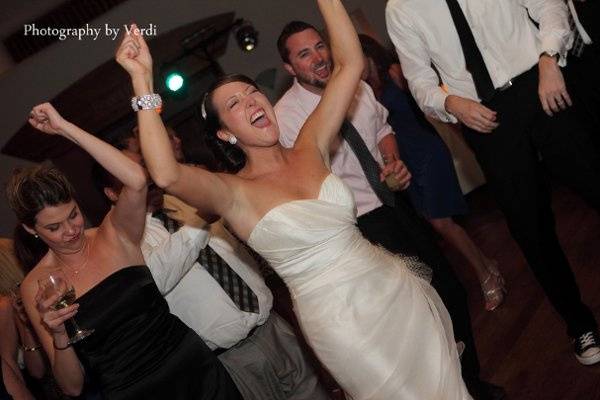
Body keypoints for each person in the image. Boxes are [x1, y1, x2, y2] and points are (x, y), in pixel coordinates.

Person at [117, 0, 471, 398]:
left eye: (252, 93)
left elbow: (350, 65)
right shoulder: (231, 192)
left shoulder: (310, 145)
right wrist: (142, 82)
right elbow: (165, 173)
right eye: (235, 104)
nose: (251, 101)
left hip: (392, 286)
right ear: (225, 134)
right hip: (342, 325)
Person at [274, 20, 503, 400]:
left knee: (449, 292)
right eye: (304, 54)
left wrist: (391, 159)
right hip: (358, 229)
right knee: (408, 319)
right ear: (289, 68)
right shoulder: (286, 119)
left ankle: (468, 383)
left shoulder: (355, 85)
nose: (317, 57)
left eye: (319, 46)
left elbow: (382, 128)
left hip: (397, 206)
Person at [386, 0, 600, 365]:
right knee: (530, 228)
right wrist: (452, 102)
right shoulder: (401, 8)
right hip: (484, 117)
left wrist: (549, 58)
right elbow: (419, 80)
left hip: (541, 82)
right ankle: (579, 325)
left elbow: (548, 6)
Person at [7, 104, 242, 399]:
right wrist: (58, 334)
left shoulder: (114, 233)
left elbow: (136, 178)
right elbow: (72, 386)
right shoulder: (36, 286)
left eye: (73, 215)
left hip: (196, 372)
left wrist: (64, 127)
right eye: (54, 228)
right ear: (31, 230)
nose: (70, 230)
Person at [94, 148, 330, 400]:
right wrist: (199, 224)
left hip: (272, 325)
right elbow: (155, 279)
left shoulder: (181, 198)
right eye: (129, 174)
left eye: (143, 167)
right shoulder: (117, 240)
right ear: (111, 193)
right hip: (231, 358)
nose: (144, 177)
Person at [358, 34, 505, 311]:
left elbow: (432, 103)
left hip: (426, 152)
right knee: (436, 222)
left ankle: (486, 274)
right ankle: (486, 263)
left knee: (441, 222)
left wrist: (462, 135)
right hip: (404, 163)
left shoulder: (394, 72)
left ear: (367, 55)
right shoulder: (363, 92)